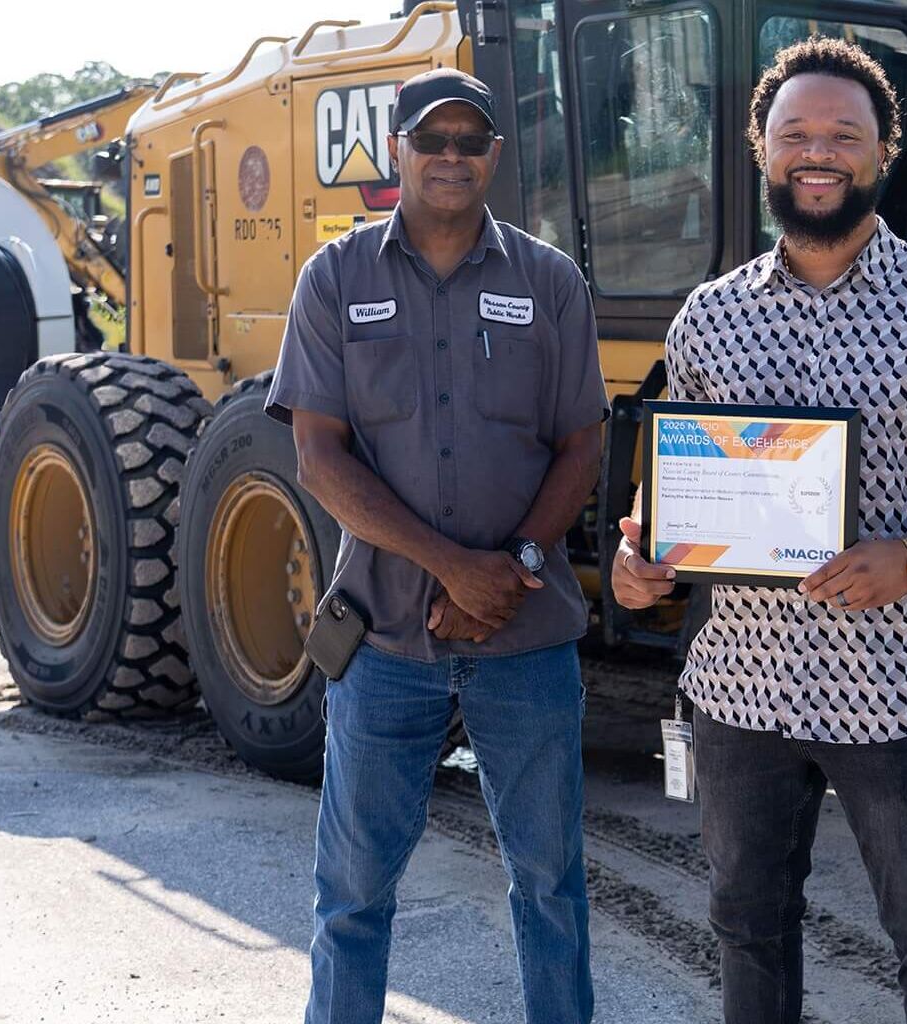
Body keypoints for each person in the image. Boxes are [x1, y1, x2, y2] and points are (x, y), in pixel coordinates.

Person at [609, 38, 907, 1024]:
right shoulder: (706, 321)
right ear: (760, 149)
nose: (818, 152)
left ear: (881, 151)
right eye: (795, 133)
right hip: (739, 688)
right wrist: (640, 553)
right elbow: (679, 485)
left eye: (843, 135)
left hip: (897, 693)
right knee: (745, 925)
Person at [266, 67, 608, 1024]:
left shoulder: (548, 281)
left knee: (550, 887)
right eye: (433, 139)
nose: (451, 156)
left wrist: (517, 569)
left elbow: (582, 445)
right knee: (353, 896)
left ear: (493, 156)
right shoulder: (336, 278)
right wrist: (451, 567)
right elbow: (318, 456)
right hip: (383, 646)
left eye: (471, 141)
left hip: (525, 644)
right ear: (400, 152)